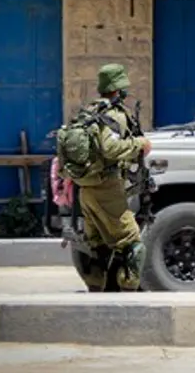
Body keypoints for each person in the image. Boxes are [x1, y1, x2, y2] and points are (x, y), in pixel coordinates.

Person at [60, 63, 152, 292]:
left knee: (97, 243)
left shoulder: (88, 112)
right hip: (106, 188)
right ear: (119, 89)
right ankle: (129, 290)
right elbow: (110, 149)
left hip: (87, 189)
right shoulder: (113, 116)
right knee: (133, 243)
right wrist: (140, 144)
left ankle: (97, 287)